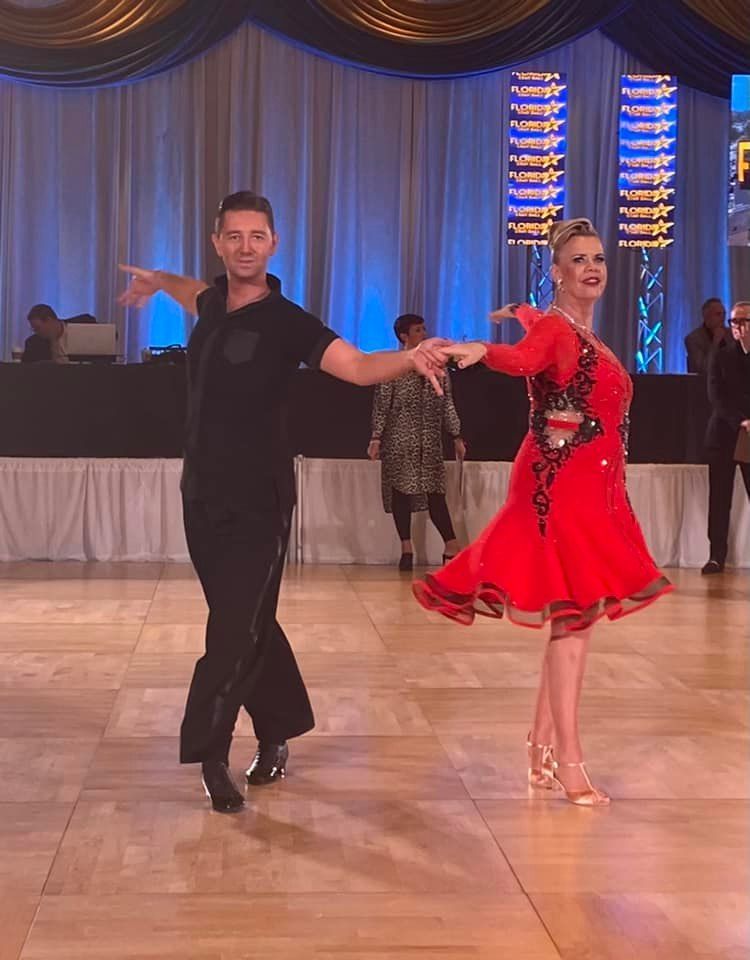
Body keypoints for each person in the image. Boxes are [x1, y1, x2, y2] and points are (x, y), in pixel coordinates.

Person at [119, 190, 448, 813]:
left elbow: (352, 367)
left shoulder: (289, 321)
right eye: (234, 236)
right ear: (219, 242)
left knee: (232, 627)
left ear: (274, 244)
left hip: (260, 500)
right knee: (248, 622)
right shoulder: (211, 303)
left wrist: (411, 357)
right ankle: (279, 728)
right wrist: (156, 279)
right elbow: (187, 287)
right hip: (201, 496)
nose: (246, 246)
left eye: (257, 236)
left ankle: (210, 752)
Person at [414, 218, 673, 806]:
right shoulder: (558, 332)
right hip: (558, 487)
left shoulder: (579, 333)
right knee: (573, 620)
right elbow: (523, 355)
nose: (592, 268)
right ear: (557, 274)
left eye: (599, 258)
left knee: (570, 616)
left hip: (593, 489)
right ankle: (570, 762)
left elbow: (536, 328)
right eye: (578, 260)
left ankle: (540, 750)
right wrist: (480, 349)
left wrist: (520, 311)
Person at [368, 313, 465, 570]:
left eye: (424, 329)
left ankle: (450, 544)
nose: (424, 333)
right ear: (404, 336)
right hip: (400, 438)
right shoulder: (393, 366)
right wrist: (376, 436)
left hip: (429, 440)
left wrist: (456, 434)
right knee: (401, 492)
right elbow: (382, 404)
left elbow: (447, 404)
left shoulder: (439, 367)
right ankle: (406, 548)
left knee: (435, 493)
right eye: (418, 330)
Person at [701, 301, 750, 574]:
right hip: (724, 435)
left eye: (743, 321)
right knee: (720, 499)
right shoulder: (721, 356)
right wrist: (740, 420)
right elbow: (716, 396)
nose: (738, 327)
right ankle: (716, 556)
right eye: (734, 322)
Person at [21, 304, 96, 363]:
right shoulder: (33, 343)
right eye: (33, 329)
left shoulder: (83, 325)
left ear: (49, 320)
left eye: (37, 328)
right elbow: (28, 371)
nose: (35, 332)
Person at [684, 298, 729, 374]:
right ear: (706, 317)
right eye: (718, 314)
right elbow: (703, 368)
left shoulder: (731, 334)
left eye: (724, 314)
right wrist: (715, 343)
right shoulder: (693, 339)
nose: (723, 318)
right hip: (705, 383)